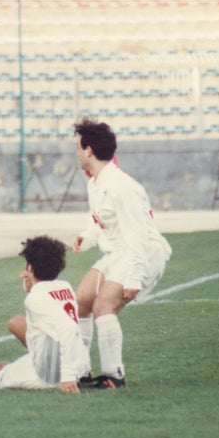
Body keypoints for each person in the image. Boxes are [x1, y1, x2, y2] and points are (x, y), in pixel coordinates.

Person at [71, 118, 172, 388]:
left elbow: (137, 235)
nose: (77, 154)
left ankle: (114, 375)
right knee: (80, 300)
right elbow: (99, 220)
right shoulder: (95, 183)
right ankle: (81, 371)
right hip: (119, 251)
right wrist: (87, 237)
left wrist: (133, 277)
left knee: (103, 306)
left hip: (144, 254)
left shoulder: (122, 187)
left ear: (89, 150)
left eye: (78, 148)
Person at [0, 236, 91, 393]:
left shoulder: (35, 298)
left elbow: (67, 327)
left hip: (50, 376)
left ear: (30, 268)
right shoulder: (65, 286)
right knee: (17, 323)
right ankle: (79, 373)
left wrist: (67, 377)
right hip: (79, 364)